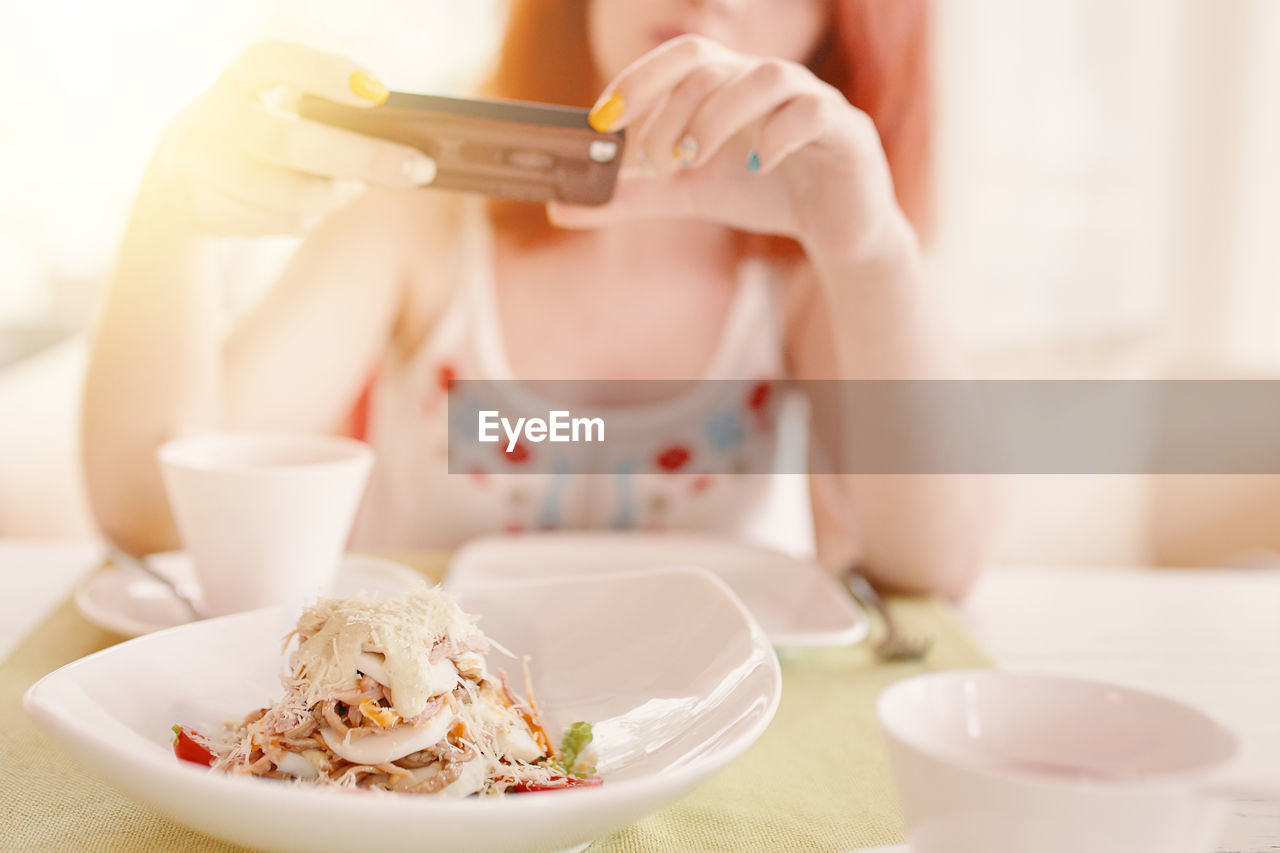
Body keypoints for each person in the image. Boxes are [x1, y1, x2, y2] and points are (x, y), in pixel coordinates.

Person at [83, 0, 990, 598]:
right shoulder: (420, 212)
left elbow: (936, 568)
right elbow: (160, 513)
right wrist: (173, 208)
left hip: (715, 725)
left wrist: (872, 249)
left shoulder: (804, 266)